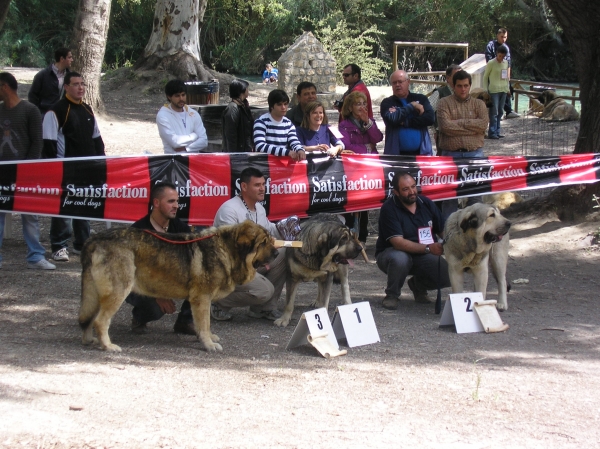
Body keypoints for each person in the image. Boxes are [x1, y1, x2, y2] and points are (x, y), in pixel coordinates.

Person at [42, 72, 105, 262]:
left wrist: (100, 163)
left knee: (84, 205)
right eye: (75, 84)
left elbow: (96, 139)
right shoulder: (56, 111)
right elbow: (49, 143)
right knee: (64, 207)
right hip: (66, 169)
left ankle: (82, 244)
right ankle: (59, 246)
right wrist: (56, 168)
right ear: (66, 87)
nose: (80, 88)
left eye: (82, 84)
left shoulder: (87, 109)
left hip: (87, 169)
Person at [212, 167, 285, 321]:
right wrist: (263, 249)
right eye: (257, 185)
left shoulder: (259, 208)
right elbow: (232, 250)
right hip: (230, 268)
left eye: (263, 184)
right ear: (244, 187)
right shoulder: (229, 210)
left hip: (251, 262)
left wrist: (283, 227)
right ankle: (216, 302)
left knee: (285, 254)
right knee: (265, 291)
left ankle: (263, 309)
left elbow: (268, 229)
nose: (262, 188)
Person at [0, 72, 55, 270]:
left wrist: (28, 168)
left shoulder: (29, 110)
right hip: (3, 172)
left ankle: (35, 255)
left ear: (4, 87)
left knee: (30, 214)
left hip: (25, 172)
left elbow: (37, 142)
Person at [126, 182, 196, 335]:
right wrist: (159, 295)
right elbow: (134, 273)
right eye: (171, 201)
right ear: (156, 203)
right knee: (156, 309)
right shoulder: (138, 231)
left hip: (170, 279)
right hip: (139, 283)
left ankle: (185, 321)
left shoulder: (180, 228)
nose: (176, 205)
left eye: (177, 201)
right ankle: (140, 317)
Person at [375, 172, 451, 310]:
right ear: (396, 192)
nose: (411, 192)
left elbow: (443, 230)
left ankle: (418, 286)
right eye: (405, 189)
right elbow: (398, 242)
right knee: (401, 258)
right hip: (392, 253)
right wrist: (428, 248)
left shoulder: (426, 203)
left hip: (423, 254)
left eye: (413, 187)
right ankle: (392, 295)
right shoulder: (389, 208)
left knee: (448, 273)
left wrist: (452, 243)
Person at [436, 70, 489, 218]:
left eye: (466, 85)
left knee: (476, 195)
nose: (463, 89)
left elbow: (483, 125)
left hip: (475, 154)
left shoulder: (479, 104)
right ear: (453, 86)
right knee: (450, 196)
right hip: (450, 154)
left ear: (470, 86)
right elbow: (446, 127)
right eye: (459, 86)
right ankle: (450, 231)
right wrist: (472, 128)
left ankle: (475, 232)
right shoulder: (444, 103)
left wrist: (459, 123)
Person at [338, 90, 383, 243]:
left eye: (364, 104)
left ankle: (362, 236)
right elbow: (347, 147)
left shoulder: (369, 121)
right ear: (350, 107)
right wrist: (368, 148)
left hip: (369, 167)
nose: (362, 107)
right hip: (353, 169)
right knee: (352, 201)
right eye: (358, 104)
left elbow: (378, 137)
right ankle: (350, 235)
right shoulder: (343, 125)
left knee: (366, 201)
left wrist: (368, 123)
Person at [380, 70, 435, 156]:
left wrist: (405, 121)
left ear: (408, 82)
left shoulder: (421, 98)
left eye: (400, 81)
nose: (397, 85)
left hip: (421, 154)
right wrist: (412, 106)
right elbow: (392, 119)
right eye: (394, 83)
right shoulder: (387, 102)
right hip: (396, 156)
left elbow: (430, 118)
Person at [156, 79, 208, 154]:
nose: (181, 99)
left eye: (183, 95)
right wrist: (194, 136)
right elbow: (175, 142)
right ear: (169, 97)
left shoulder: (193, 113)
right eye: (177, 96)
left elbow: (204, 141)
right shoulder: (163, 116)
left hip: (193, 161)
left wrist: (186, 148)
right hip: (174, 161)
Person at [253, 89, 305, 161]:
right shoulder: (261, 122)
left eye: (285, 104)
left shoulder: (288, 123)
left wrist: (300, 150)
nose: (283, 107)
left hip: (282, 165)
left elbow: (294, 141)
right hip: (265, 165)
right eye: (279, 104)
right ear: (271, 106)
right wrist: (287, 152)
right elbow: (260, 146)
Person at [485, 28, 520, 120]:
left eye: (505, 37)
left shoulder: (506, 48)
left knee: (506, 92)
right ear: (497, 36)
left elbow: (508, 64)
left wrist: (508, 79)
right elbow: (488, 60)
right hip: (494, 75)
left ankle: (508, 111)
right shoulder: (491, 45)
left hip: (504, 75)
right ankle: (496, 114)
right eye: (502, 37)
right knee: (495, 95)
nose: (503, 39)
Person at [28, 48, 73, 115]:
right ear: (62, 59)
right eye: (69, 57)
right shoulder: (42, 75)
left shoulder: (70, 76)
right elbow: (32, 96)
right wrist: (39, 113)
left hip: (64, 116)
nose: (72, 60)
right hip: (45, 115)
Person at [483, 45, 510, 139]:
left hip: (503, 90)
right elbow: (485, 77)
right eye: (500, 56)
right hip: (493, 90)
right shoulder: (491, 63)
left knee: (500, 112)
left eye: (503, 56)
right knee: (494, 112)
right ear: (497, 54)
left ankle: (498, 131)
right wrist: (485, 90)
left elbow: (506, 77)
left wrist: (508, 89)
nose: (501, 58)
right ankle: (492, 132)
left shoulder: (506, 63)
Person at [434, 64, 462, 150]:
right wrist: (436, 129)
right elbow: (428, 111)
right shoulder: (439, 92)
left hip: (462, 135)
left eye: (461, 75)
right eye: (456, 76)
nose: (459, 78)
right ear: (448, 78)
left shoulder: (464, 93)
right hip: (444, 136)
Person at [221, 79, 253, 152]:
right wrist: (233, 156)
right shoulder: (233, 108)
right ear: (242, 90)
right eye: (247, 88)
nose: (248, 90)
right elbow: (230, 135)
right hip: (237, 153)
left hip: (245, 150)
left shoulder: (244, 106)